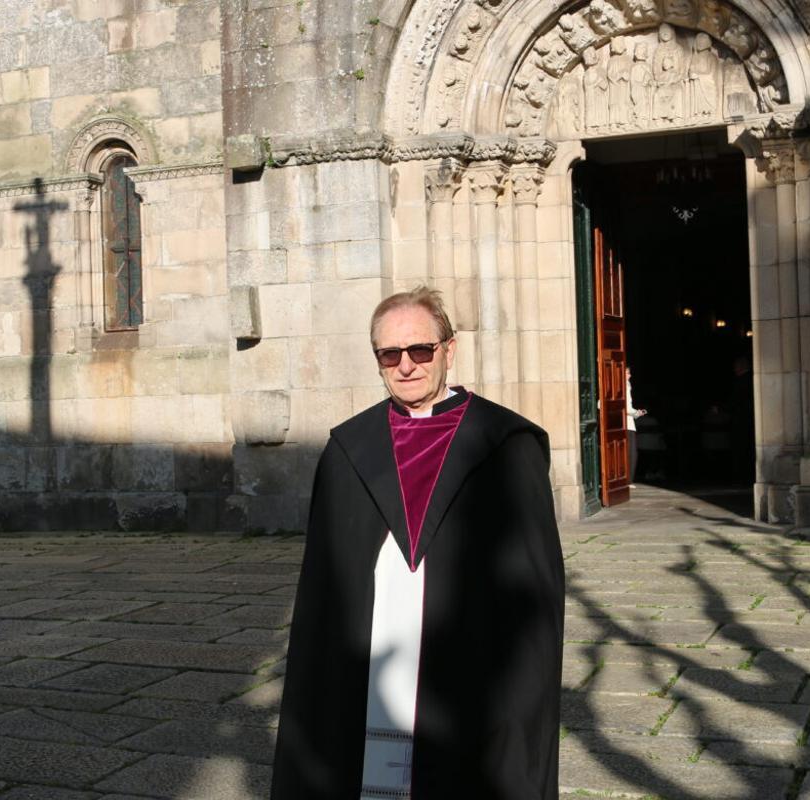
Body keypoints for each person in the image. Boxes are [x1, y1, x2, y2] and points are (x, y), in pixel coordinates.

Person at [271, 286, 565, 800]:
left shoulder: (503, 444)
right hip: (372, 655)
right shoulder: (348, 449)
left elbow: (534, 589)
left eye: (421, 350)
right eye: (390, 354)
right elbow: (323, 588)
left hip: (469, 666)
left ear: (448, 350)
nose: (406, 365)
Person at [625, 365, 646, 486]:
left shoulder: (628, 385)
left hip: (629, 422)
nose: (630, 375)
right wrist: (636, 412)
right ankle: (627, 480)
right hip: (625, 423)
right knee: (630, 452)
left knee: (632, 452)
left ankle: (628, 479)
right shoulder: (624, 386)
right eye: (627, 373)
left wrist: (636, 413)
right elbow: (626, 407)